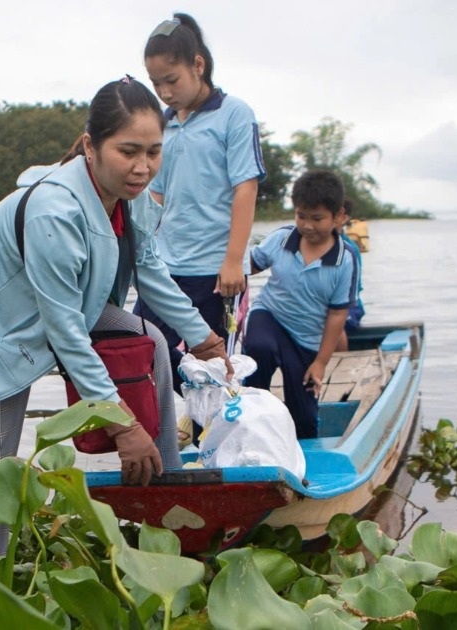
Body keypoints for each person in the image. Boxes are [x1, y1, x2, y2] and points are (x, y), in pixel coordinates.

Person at [0, 77, 230, 556]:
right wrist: (123, 425)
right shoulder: (55, 212)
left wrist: (206, 341)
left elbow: (151, 272)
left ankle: (166, 490)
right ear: (91, 147)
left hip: (67, 307)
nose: (143, 167)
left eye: (154, 152)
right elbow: (68, 335)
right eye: (129, 151)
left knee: (151, 342)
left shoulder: (125, 197)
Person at [137, 13, 266, 392]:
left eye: (171, 80)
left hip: (213, 271)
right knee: (139, 348)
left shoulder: (234, 114)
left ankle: (208, 443)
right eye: (156, 83)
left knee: (213, 370)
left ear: (198, 65)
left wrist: (232, 261)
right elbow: (155, 195)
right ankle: (161, 439)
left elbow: (246, 187)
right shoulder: (161, 123)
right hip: (164, 265)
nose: (164, 91)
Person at [243, 170, 359, 439]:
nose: (307, 225)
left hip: (307, 339)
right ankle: (253, 423)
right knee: (259, 349)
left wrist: (321, 362)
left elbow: (338, 313)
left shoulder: (346, 259)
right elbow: (247, 266)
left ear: (337, 216)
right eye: (301, 216)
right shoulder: (282, 239)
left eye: (317, 218)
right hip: (270, 316)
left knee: (305, 419)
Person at [335, 199, 365, 352]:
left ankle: (341, 363)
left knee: (333, 321)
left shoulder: (350, 249)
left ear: (343, 218)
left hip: (349, 306)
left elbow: (352, 291)